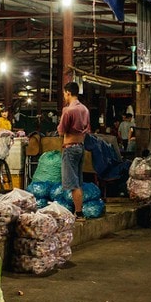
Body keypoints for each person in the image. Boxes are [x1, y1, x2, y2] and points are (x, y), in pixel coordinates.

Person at [58, 81, 91, 219]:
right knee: (78, 182)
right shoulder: (85, 109)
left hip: (70, 148)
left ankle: (79, 213)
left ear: (68, 93)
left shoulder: (68, 110)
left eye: (64, 94)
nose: (64, 97)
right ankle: (78, 211)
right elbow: (88, 129)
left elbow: (61, 130)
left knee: (73, 184)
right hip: (80, 147)